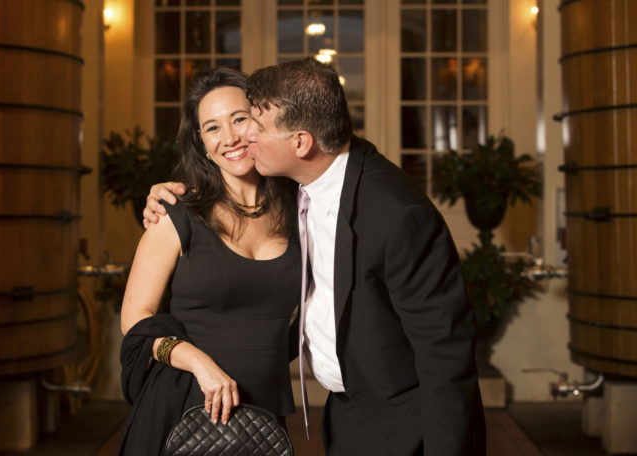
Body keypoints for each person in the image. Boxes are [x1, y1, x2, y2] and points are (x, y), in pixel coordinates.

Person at [144, 58, 486, 455]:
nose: (244, 138)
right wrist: (163, 197)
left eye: (255, 125)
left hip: (404, 426)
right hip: (343, 419)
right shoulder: (297, 190)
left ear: (301, 143)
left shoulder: (396, 213)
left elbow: (446, 357)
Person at [118, 67, 300, 455]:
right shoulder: (175, 214)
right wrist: (199, 362)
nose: (230, 138)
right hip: (185, 409)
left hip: (264, 416)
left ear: (261, 120)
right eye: (212, 128)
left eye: (239, 119)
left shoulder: (301, 209)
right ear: (200, 143)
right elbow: (135, 320)